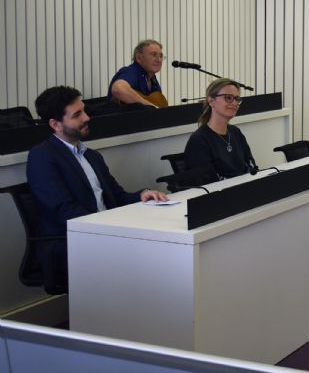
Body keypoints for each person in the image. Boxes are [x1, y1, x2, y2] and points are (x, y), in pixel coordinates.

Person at [26, 86, 168, 291]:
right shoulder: (42, 157)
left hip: (101, 232)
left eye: (84, 110)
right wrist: (108, 228)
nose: (87, 117)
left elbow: (116, 197)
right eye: (77, 114)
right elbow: (63, 210)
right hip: (70, 240)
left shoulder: (91, 156)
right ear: (55, 124)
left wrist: (142, 195)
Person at [184, 78, 256, 179]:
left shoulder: (235, 132)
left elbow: (251, 166)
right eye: (228, 98)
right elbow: (207, 181)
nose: (235, 103)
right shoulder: (199, 140)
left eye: (237, 99)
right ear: (211, 101)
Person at [108, 39, 168, 108]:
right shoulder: (132, 71)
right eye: (153, 55)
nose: (158, 60)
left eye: (161, 56)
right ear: (139, 57)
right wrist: (150, 106)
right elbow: (118, 88)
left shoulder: (153, 80)